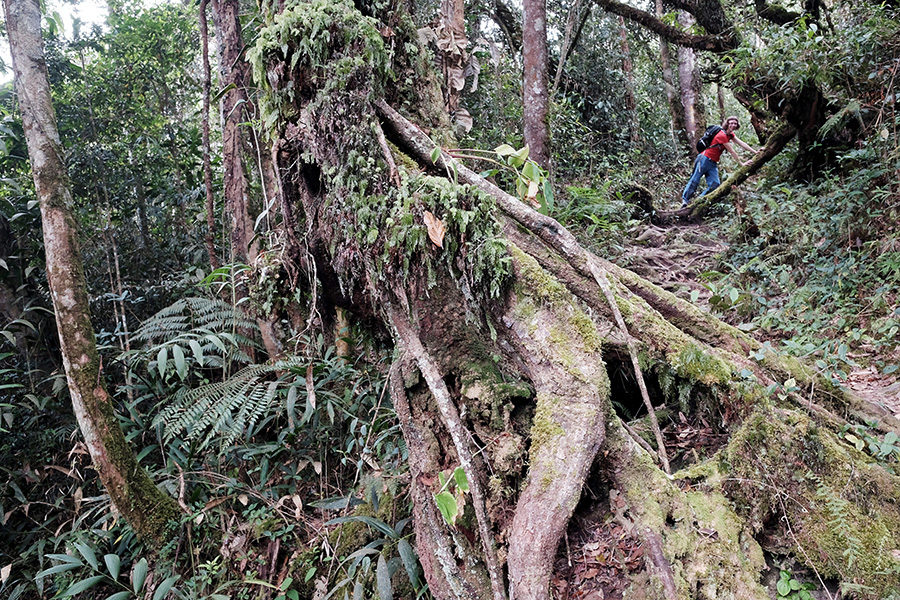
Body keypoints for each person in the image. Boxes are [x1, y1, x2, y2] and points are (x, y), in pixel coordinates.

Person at [680, 116, 762, 208]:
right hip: (704, 158)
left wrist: (755, 152)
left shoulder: (730, 135)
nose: (733, 125)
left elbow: (741, 143)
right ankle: (685, 201)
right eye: (731, 123)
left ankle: (698, 201)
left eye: (735, 123)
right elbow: (731, 151)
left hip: (713, 163)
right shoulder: (722, 135)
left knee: (715, 184)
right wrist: (741, 163)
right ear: (727, 124)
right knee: (695, 180)